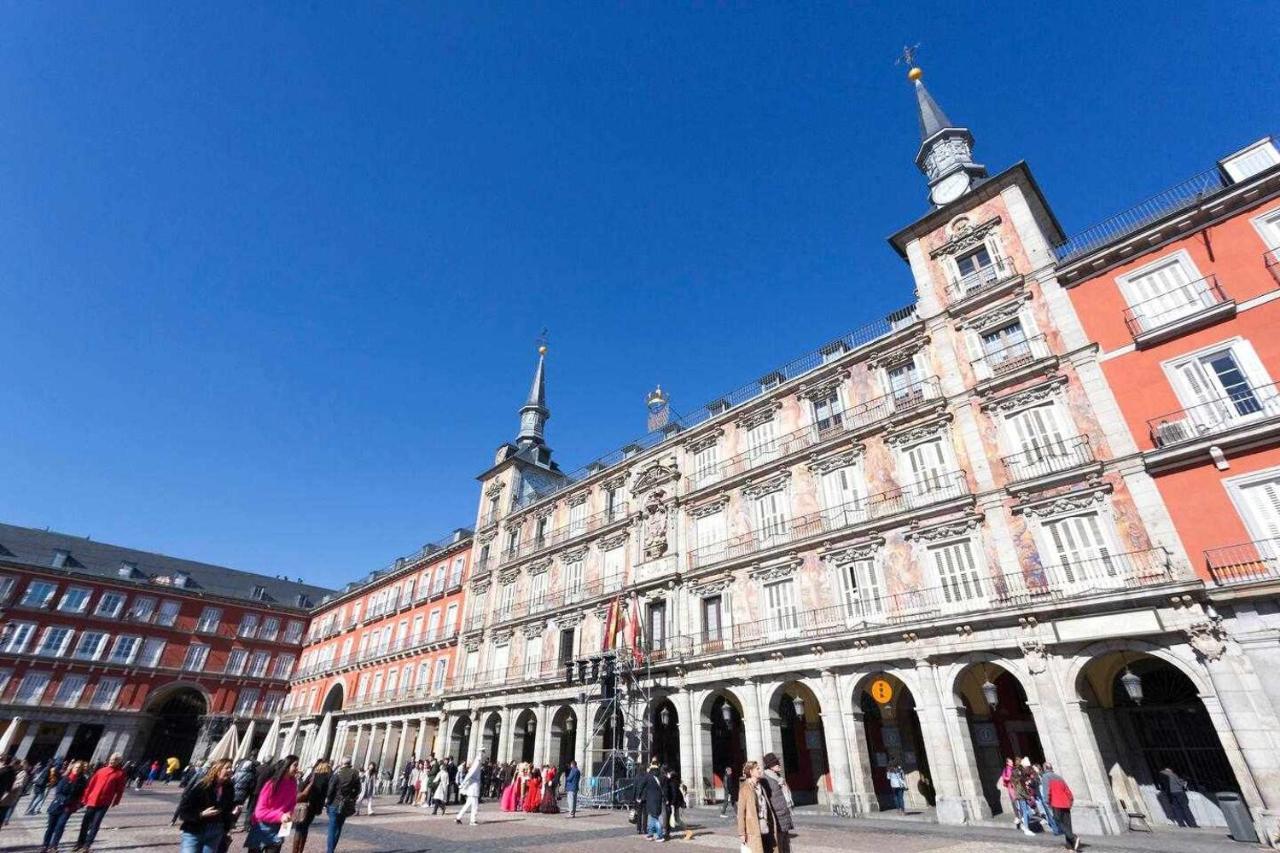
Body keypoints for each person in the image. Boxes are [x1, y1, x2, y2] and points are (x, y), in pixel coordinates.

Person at [176, 758, 237, 853]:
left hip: (216, 831)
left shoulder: (229, 789)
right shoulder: (202, 786)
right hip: (195, 830)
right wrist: (201, 814)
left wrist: (231, 819)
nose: (230, 770)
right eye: (227, 768)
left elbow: (226, 811)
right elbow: (184, 811)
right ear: (217, 769)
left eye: (231, 768)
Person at [72, 751, 127, 853]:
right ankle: (79, 843)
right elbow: (91, 785)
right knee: (85, 823)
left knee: (95, 824)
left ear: (119, 762)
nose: (112, 761)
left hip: (104, 802)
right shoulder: (101, 770)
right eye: (111, 759)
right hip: (92, 800)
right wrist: (85, 797)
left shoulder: (120, 774)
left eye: (115, 760)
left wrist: (116, 800)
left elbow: (120, 789)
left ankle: (87, 845)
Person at [247, 755, 299, 853]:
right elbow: (259, 812)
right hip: (262, 826)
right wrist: (280, 816)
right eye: (295, 765)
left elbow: (292, 803)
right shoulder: (271, 784)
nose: (297, 768)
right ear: (287, 766)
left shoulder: (293, 783)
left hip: (279, 827)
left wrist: (289, 814)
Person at [737, 760, 789, 853]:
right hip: (753, 829)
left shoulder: (761, 786)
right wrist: (742, 833)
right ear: (751, 772)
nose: (760, 770)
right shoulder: (745, 788)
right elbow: (740, 813)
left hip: (766, 825)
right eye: (757, 769)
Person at [40, 759, 89, 853]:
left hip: (68, 808)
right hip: (57, 806)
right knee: (51, 827)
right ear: (72, 768)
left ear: (82, 770)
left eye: (79, 768)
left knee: (60, 826)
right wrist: (64, 800)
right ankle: (45, 845)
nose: (77, 769)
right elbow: (58, 793)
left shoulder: (82, 781)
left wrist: (79, 804)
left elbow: (83, 794)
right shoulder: (65, 778)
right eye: (76, 767)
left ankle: (54, 846)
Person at [291, 760, 330, 853]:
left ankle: (295, 851)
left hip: (304, 805)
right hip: (313, 807)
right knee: (305, 829)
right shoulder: (326, 779)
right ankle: (300, 850)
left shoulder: (312, 775)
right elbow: (324, 795)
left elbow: (301, 788)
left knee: (298, 829)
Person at [324, 759, 361, 853]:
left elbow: (330, 789)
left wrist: (327, 800)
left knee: (332, 828)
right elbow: (358, 789)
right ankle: (331, 850)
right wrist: (352, 797)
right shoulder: (355, 774)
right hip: (346, 804)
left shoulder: (338, 773)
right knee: (339, 827)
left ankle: (330, 851)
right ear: (350, 763)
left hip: (335, 803)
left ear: (342, 763)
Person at [1043, 762, 1080, 851]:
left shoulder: (1045, 777)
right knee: (1067, 824)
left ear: (1045, 768)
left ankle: (1073, 837)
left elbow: (1046, 790)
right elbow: (1068, 791)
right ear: (1051, 768)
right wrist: (1070, 802)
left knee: (1058, 821)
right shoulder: (1059, 777)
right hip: (1065, 804)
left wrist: (1047, 801)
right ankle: (1070, 847)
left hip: (1056, 803)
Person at [760, 754, 795, 837]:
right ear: (770, 766)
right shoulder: (766, 779)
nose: (779, 764)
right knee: (779, 841)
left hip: (784, 813)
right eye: (776, 763)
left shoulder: (778, 777)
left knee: (785, 842)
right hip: (777, 815)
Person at [637, 760, 667, 842]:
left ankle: (660, 835)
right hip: (659, 799)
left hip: (650, 799)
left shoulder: (648, 776)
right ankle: (650, 834)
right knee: (652, 816)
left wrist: (639, 796)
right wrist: (666, 799)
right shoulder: (662, 776)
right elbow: (665, 789)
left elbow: (641, 786)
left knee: (654, 817)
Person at [455, 758, 483, 826]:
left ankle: (458, 817)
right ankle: (472, 820)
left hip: (473, 791)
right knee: (474, 806)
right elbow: (467, 778)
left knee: (467, 805)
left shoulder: (474, 770)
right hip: (473, 791)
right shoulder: (473, 771)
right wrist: (462, 784)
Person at [0, 759, 28, 827]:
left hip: (9, 796)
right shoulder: (8, 770)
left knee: (3, 812)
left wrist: (10, 786)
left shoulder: (23, 773)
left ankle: (5, 820)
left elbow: (19, 784)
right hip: (3, 794)